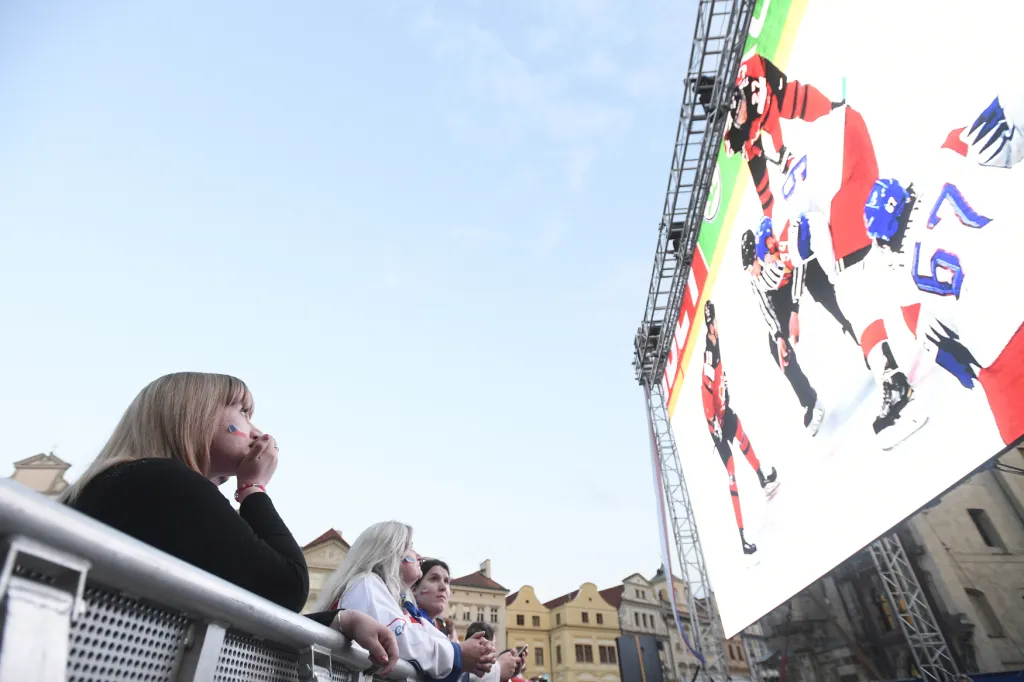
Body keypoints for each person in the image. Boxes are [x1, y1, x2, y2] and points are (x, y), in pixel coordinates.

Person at [59, 372, 398, 668]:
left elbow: (237, 597)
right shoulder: (166, 480)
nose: (257, 431)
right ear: (194, 415)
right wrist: (253, 488)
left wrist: (337, 621)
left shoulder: (131, 482)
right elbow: (285, 586)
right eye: (243, 412)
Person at [862, 92, 1024, 446]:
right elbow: (1007, 120)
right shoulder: (947, 156)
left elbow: (957, 362)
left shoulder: (904, 294)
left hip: (1002, 347)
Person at [310, 522, 496, 682]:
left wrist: (469, 650)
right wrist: (458, 654)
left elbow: (424, 634)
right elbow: (400, 637)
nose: (418, 555)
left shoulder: (398, 602)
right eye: (410, 546)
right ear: (391, 551)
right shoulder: (366, 583)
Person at [724, 53, 845, 217]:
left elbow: (771, 117)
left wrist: (781, 151)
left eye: (743, 109)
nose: (743, 114)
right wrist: (750, 141)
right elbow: (731, 148)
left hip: (770, 96)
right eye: (739, 116)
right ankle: (768, 216)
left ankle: (830, 108)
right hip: (755, 124)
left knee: (796, 98)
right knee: (759, 178)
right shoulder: (736, 128)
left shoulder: (751, 82)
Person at [702, 301, 778, 555]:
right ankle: (743, 538)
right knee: (732, 474)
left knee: (744, 438)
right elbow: (705, 393)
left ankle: (762, 477)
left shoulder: (716, 346)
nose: (718, 328)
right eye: (715, 325)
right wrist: (714, 427)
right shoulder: (709, 359)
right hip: (717, 426)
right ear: (710, 329)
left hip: (726, 414)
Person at [415, 558, 525, 682]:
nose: (443, 587)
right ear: (414, 587)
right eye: (434, 579)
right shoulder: (411, 621)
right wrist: (498, 668)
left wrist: (500, 668)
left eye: (446, 581)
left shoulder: (439, 628)